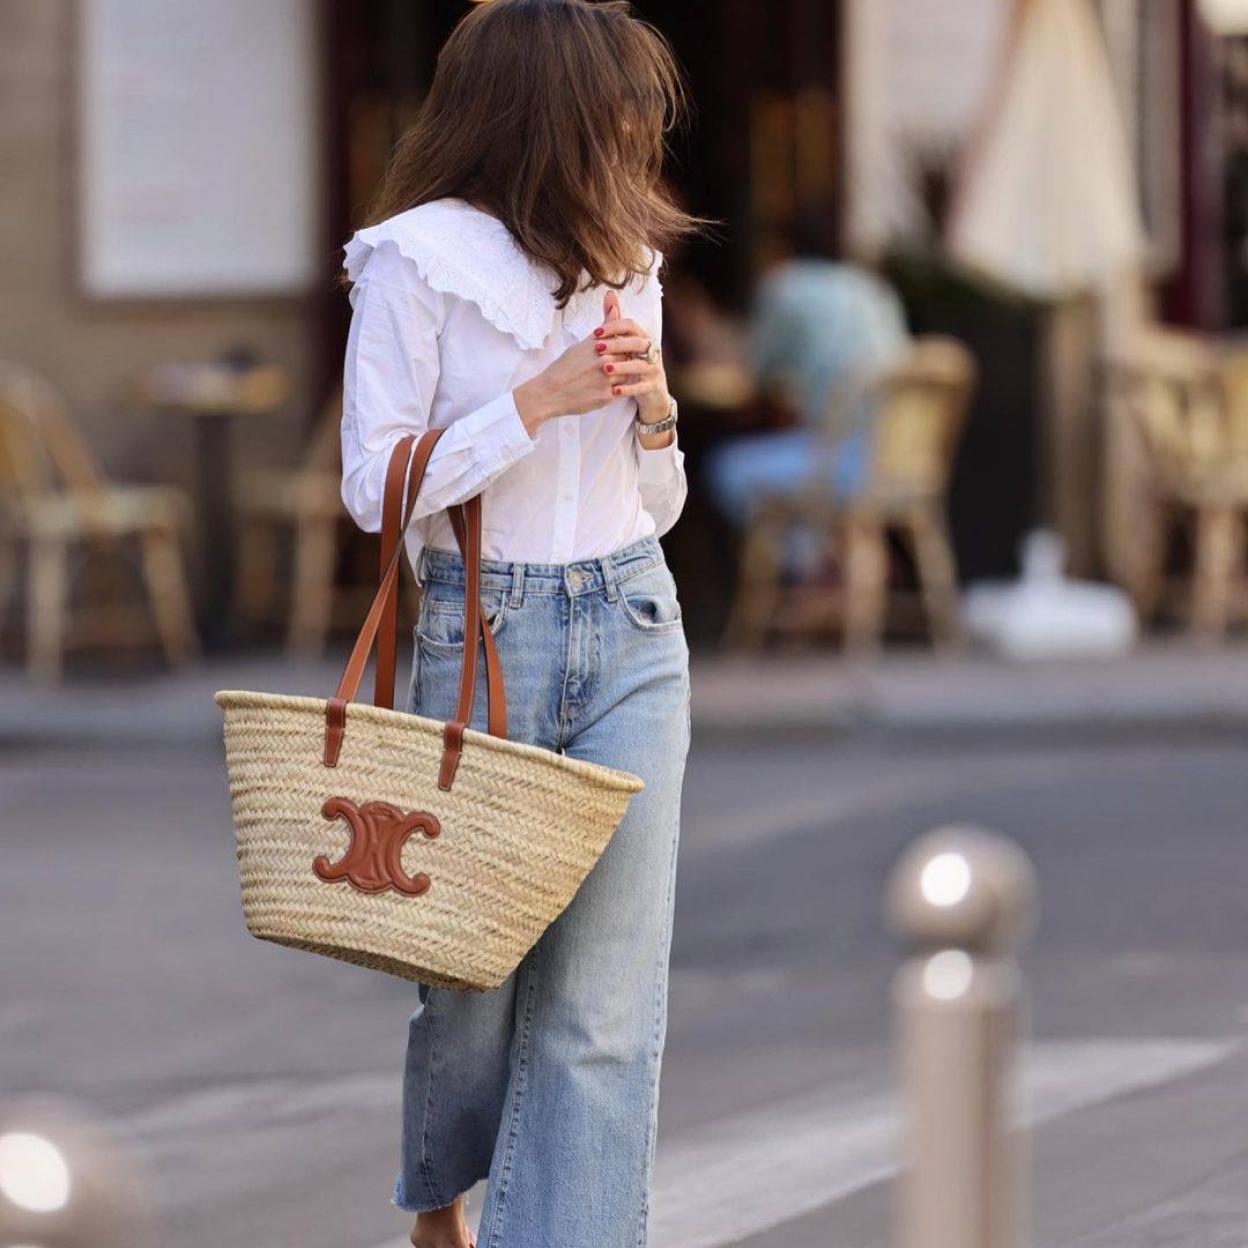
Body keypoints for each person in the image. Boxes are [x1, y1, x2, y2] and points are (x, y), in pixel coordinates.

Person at [337, 3, 699, 1246]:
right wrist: (534, 404)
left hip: (634, 621)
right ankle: (438, 1199)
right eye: (615, 103)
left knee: (603, 1007)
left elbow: (656, 501)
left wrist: (655, 415)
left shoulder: (627, 258)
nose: (635, 127)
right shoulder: (414, 258)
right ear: (545, 111)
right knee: (473, 981)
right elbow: (371, 482)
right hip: (479, 634)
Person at [702, 216, 910, 527]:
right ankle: (822, 558)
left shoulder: (787, 285)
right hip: (901, 460)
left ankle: (797, 568)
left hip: (840, 463)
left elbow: (755, 375)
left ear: (784, 249)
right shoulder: (876, 291)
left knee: (725, 469)